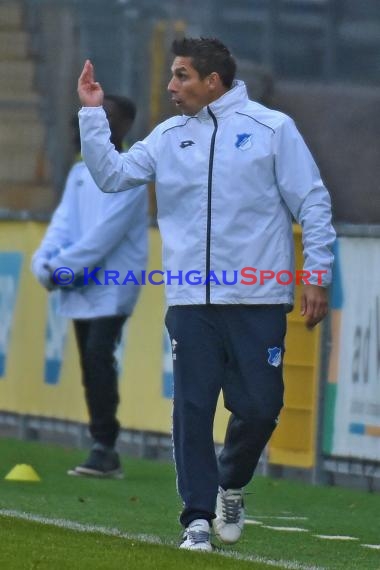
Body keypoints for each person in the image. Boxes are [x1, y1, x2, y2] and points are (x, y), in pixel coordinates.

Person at [77, 38, 335, 550]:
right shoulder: (168, 136)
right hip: (190, 301)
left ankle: (231, 483)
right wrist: (91, 116)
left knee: (261, 407)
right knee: (191, 408)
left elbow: (312, 201)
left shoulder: (272, 129)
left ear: (212, 81)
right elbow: (111, 176)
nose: (171, 87)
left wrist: (317, 272)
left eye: (181, 76)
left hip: (259, 300)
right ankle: (196, 518)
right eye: (172, 76)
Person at [31, 94, 148, 479]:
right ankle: (103, 446)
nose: (101, 122)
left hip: (114, 284)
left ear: (125, 126)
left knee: (98, 355)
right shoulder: (80, 172)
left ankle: (105, 445)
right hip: (79, 283)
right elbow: (62, 225)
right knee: (90, 363)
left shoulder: (130, 173)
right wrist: (42, 264)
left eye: (110, 117)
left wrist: (60, 270)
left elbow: (104, 237)